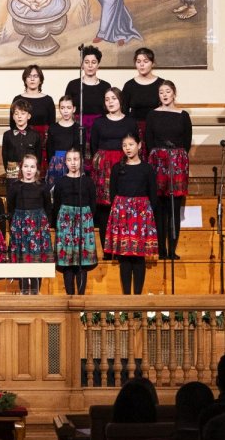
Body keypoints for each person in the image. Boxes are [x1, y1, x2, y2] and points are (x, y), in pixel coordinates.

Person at [105, 133, 158, 294]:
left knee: (138, 256)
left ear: (139, 145)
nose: (127, 148)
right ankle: (126, 296)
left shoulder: (147, 169)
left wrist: (147, 216)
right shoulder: (117, 168)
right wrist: (120, 210)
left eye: (131, 144)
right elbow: (113, 193)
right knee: (125, 256)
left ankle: (138, 296)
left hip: (141, 215)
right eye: (124, 145)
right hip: (122, 214)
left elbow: (153, 194)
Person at [145, 80, 192, 260]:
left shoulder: (183, 115)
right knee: (160, 208)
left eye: (167, 91)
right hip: (157, 162)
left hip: (177, 162)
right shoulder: (152, 115)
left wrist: (175, 157)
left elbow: (186, 142)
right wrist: (159, 156)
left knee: (174, 208)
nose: (164, 95)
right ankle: (161, 250)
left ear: (174, 93)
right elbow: (149, 140)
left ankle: (172, 249)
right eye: (161, 92)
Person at [89, 87, 138, 245]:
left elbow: (135, 145)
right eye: (107, 99)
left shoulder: (130, 122)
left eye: (114, 98)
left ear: (120, 100)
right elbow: (94, 146)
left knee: (122, 205)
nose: (110, 102)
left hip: (124, 165)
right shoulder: (99, 122)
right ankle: (106, 249)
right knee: (104, 208)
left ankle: (122, 245)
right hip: (103, 169)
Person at [53, 146, 98, 295]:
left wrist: (88, 222)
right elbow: (56, 204)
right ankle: (69, 297)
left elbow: (93, 204)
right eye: (69, 159)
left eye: (76, 159)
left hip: (83, 222)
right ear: (65, 162)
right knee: (68, 264)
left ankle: (80, 299)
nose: (73, 163)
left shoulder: (88, 182)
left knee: (82, 263)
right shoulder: (60, 182)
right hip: (65, 222)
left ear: (81, 161)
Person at [8, 154, 53, 294]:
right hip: (20, 226)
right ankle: (23, 291)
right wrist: (14, 225)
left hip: (38, 227)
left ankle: (35, 291)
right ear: (21, 167)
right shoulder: (15, 186)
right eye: (26, 166)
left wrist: (45, 226)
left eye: (32, 167)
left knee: (36, 258)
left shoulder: (43, 186)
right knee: (22, 257)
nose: (29, 170)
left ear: (36, 169)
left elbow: (48, 207)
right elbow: (10, 207)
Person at [64, 45, 111, 149]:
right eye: (86, 62)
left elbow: (109, 110)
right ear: (82, 65)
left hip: (99, 127)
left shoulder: (105, 86)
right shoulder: (73, 85)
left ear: (98, 65)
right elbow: (66, 107)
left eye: (93, 62)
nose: (90, 65)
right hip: (77, 127)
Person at [10, 65, 57, 154]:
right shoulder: (17, 99)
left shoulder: (48, 100)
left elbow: (52, 125)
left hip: (43, 142)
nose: (32, 79)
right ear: (25, 80)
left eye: (35, 76)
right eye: (29, 76)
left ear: (40, 80)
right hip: (22, 140)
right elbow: (12, 125)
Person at [120, 48, 166, 138]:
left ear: (153, 63)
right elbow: (123, 111)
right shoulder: (129, 85)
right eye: (138, 61)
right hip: (134, 129)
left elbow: (166, 109)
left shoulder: (161, 84)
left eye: (146, 61)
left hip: (157, 128)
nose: (141, 64)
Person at [2, 98, 43, 180]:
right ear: (13, 116)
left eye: (23, 113)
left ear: (29, 116)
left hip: (30, 172)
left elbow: (38, 156)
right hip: (12, 172)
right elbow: (5, 156)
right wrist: (10, 171)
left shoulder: (35, 135)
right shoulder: (7, 135)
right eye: (16, 114)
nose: (19, 116)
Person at [45, 95, 79, 188]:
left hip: (73, 164)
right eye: (62, 108)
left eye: (69, 108)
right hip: (56, 164)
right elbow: (49, 150)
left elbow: (81, 151)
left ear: (74, 109)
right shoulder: (53, 128)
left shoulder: (78, 129)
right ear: (59, 109)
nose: (66, 111)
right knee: (56, 192)